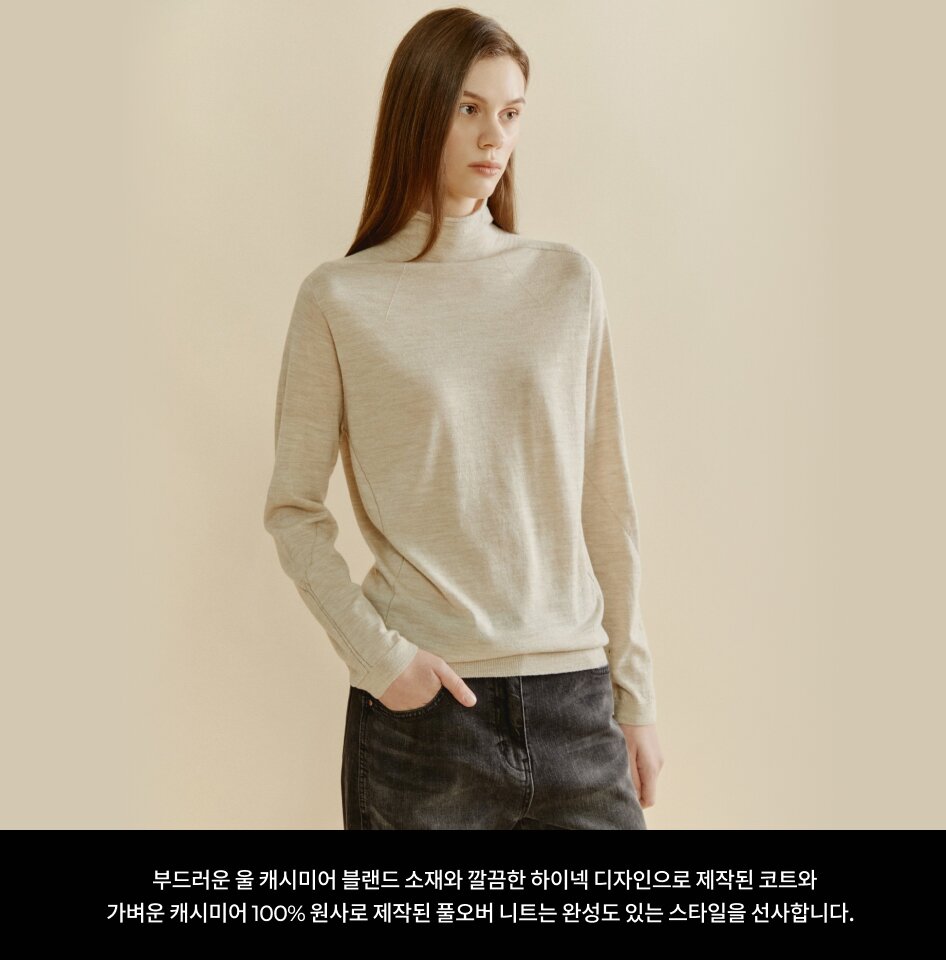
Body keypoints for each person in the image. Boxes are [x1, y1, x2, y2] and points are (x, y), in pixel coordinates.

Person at [262, 7, 665, 830]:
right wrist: (380, 658)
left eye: (511, 113)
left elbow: (606, 502)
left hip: (575, 703)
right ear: (419, 110)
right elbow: (293, 510)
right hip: (426, 717)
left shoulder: (566, 283)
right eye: (470, 109)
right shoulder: (340, 300)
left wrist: (635, 696)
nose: (494, 137)